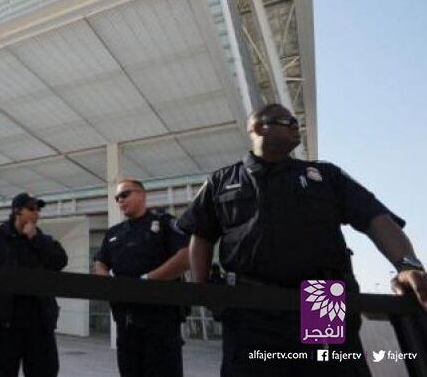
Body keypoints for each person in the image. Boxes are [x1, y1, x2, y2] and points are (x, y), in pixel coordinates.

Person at [179, 103, 427, 377]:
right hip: (250, 302)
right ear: (260, 128)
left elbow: (375, 218)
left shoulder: (326, 176)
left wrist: (407, 264)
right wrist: (203, 289)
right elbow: (201, 236)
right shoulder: (221, 181)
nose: (296, 127)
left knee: (331, 371)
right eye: (289, 122)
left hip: (321, 297)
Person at [93, 178, 191, 377]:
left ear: (142, 195)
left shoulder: (164, 223)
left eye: (124, 194)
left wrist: (146, 281)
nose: (120, 200)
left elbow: (186, 256)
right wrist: (110, 284)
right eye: (117, 198)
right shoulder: (113, 233)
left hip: (161, 322)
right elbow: (99, 263)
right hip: (126, 324)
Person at [0, 193, 68, 377]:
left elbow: (60, 261)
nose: (36, 214)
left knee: (45, 371)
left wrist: (35, 238)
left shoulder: (42, 240)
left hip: (38, 326)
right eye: (31, 209)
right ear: (16, 211)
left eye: (38, 210)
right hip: (2, 326)